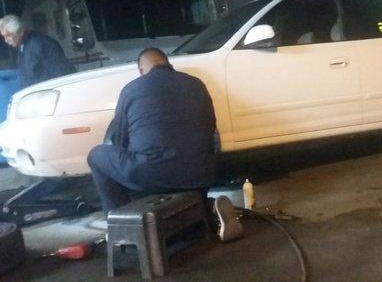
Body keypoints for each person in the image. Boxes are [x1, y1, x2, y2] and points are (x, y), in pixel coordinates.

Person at [87, 48, 242, 242]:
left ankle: (121, 227)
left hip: (152, 174)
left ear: (141, 70)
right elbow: (211, 129)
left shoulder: (131, 89)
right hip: (201, 174)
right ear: (168, 64)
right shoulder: (197, 84)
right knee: (193, 155)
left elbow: (119, 139)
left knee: (96, 156)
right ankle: (205, 210)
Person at [0, 14, 75, 87]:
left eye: (8, 35)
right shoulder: (23, 45)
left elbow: (63, 74)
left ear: (20, 31)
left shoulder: (42, 44)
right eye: (4, 37)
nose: (6, 41)